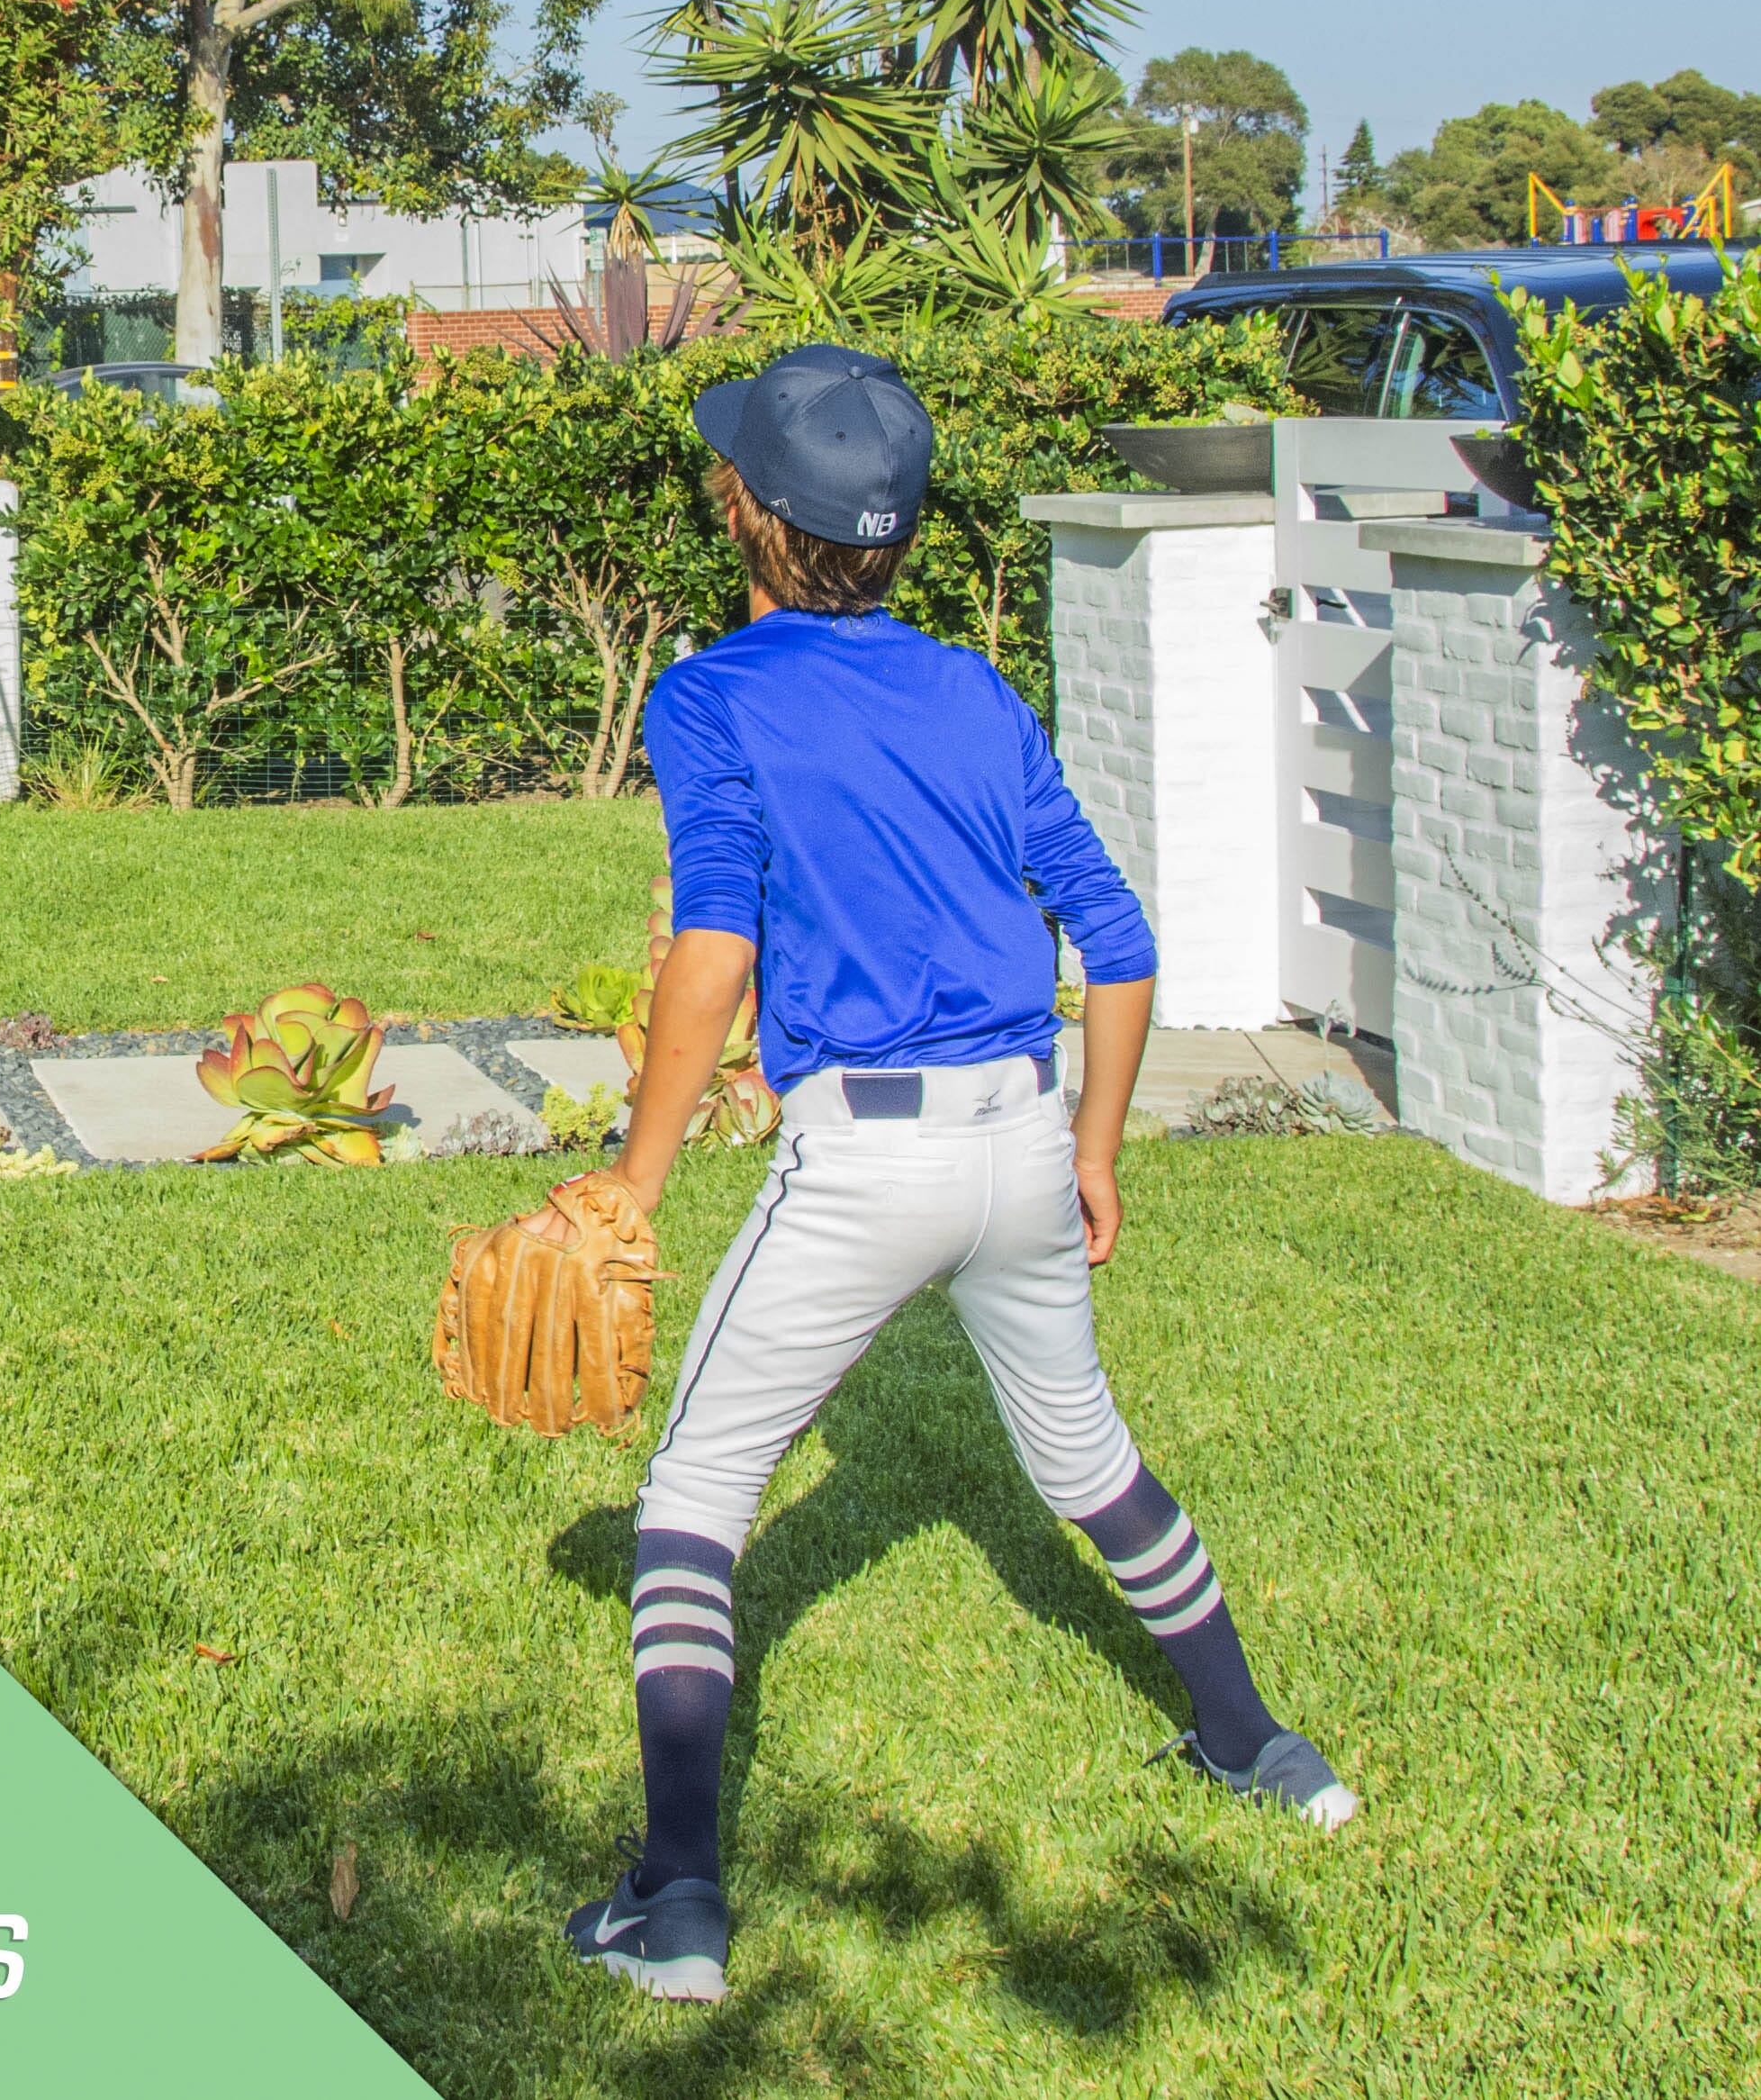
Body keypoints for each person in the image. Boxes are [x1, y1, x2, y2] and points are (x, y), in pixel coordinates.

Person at [565, 343, 1357, 2010]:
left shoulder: (709, 696)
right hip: (1017, 1141)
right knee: (1090, 1466)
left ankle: (679, 1900)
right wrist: (1091, 1153)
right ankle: (1261, 1744)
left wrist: (633, 1189)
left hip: (863, 1158)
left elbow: (715, 944)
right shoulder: (976, 692)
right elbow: (1123, 943)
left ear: (748, 512)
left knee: (692, 1505)